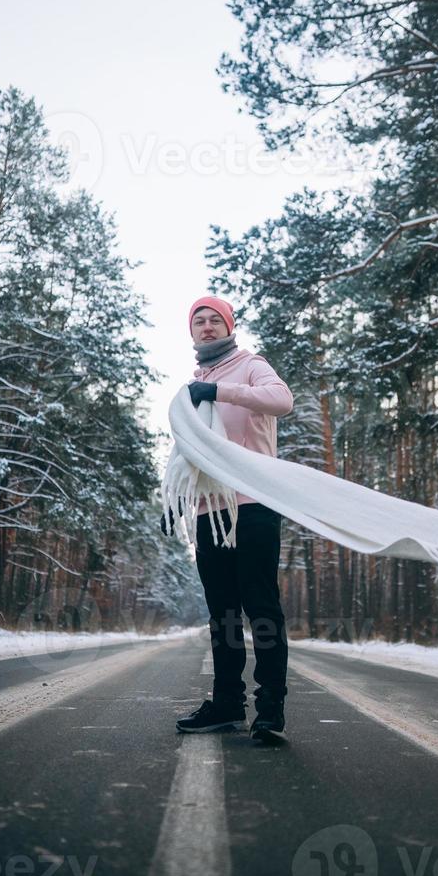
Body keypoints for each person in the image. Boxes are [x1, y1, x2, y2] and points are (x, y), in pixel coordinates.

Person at [161, 295, 294, 741]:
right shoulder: (193, 383)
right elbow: (188, 455)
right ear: (191, 331)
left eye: (213, 318)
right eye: (197, 320)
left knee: (261, 608)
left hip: (254, 504)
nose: (205, 325)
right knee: (222, 614)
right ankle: (226, 704)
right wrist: (176, 500)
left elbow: (282, 400)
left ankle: (270, 711)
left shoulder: (250, 365)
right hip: (208, 513)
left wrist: (220, 391)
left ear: (228, 326)